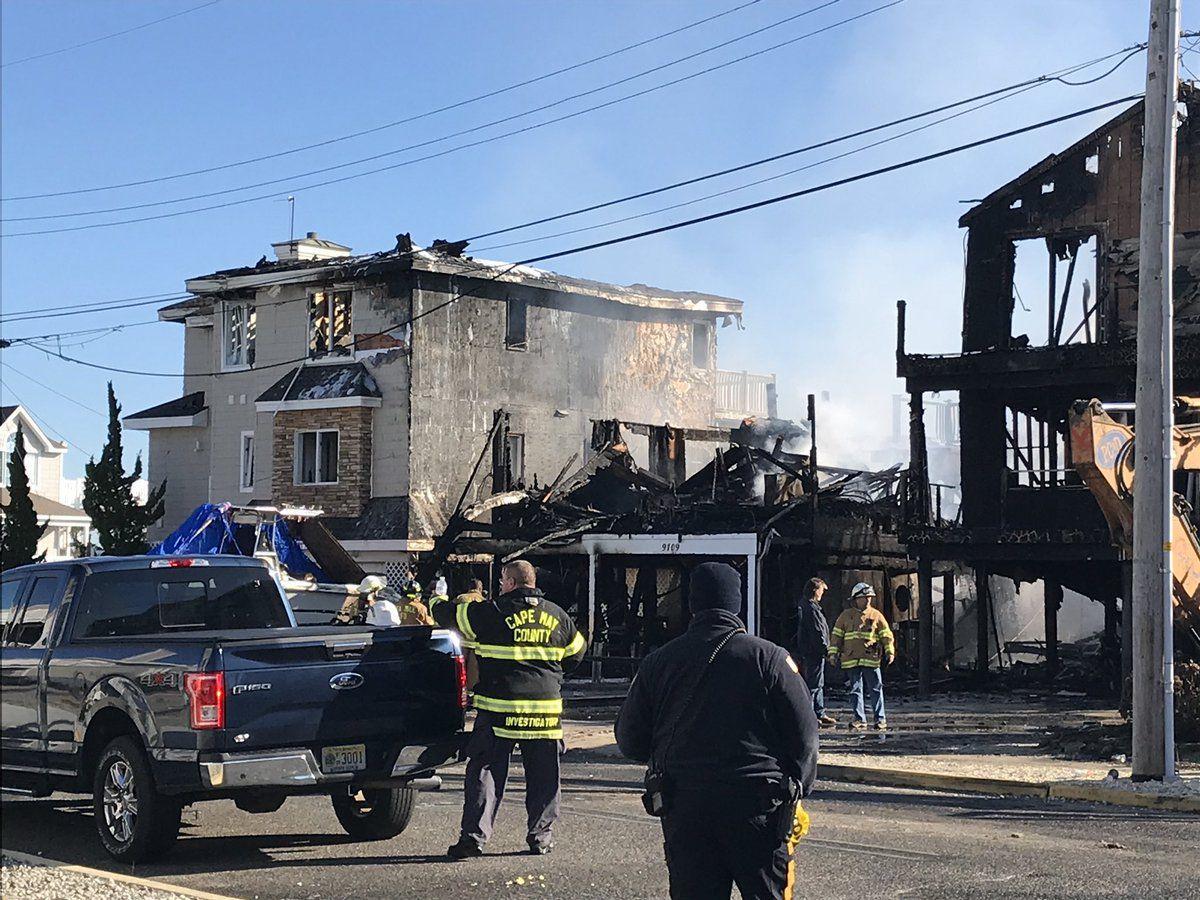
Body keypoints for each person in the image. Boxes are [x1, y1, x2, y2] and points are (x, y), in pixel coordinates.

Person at [615, 562, 819, 900]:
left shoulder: (658, 662)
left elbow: (630, 740)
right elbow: (805, 734)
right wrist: (798, 787)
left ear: (693, 604)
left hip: (685, 808)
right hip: (757, 808)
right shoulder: (769, 658)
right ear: (735, 604)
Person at [430, 560, 587, 859]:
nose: (500, 586)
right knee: (544, 777)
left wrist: (435, 596)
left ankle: (473, 840)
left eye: (502, 581)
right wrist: (549, 676)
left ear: (512, 583)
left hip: (499, 712)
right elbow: (576, 653)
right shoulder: (558, 615)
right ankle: (541, 838)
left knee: (485, 773)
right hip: (544, 713)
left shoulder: (490, 613)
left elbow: (449, 616)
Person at [827, 582, 894, 731]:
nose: (868, 600)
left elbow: (886, 635)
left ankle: (880, 719)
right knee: (855, 689)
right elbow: (836, 636)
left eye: (870, 597)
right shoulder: (845, 616)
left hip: (871, 658)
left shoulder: (876, 615)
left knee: (875, 689)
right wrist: (833, 653)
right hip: (851, 659)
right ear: (856, 599)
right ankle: (859, 719)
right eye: (865, 597)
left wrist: (890, 652)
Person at [795, 577, 836, 727]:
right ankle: (809, 715)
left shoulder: (807, 606)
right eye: (821, 590)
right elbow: (818, 631)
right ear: (815, 590)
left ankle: (819, 712)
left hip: (811, 650)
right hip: (814, 651)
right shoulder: (811, 609)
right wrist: (825, 649)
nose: (822, 594)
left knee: (819, 682)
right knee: (813, 683)